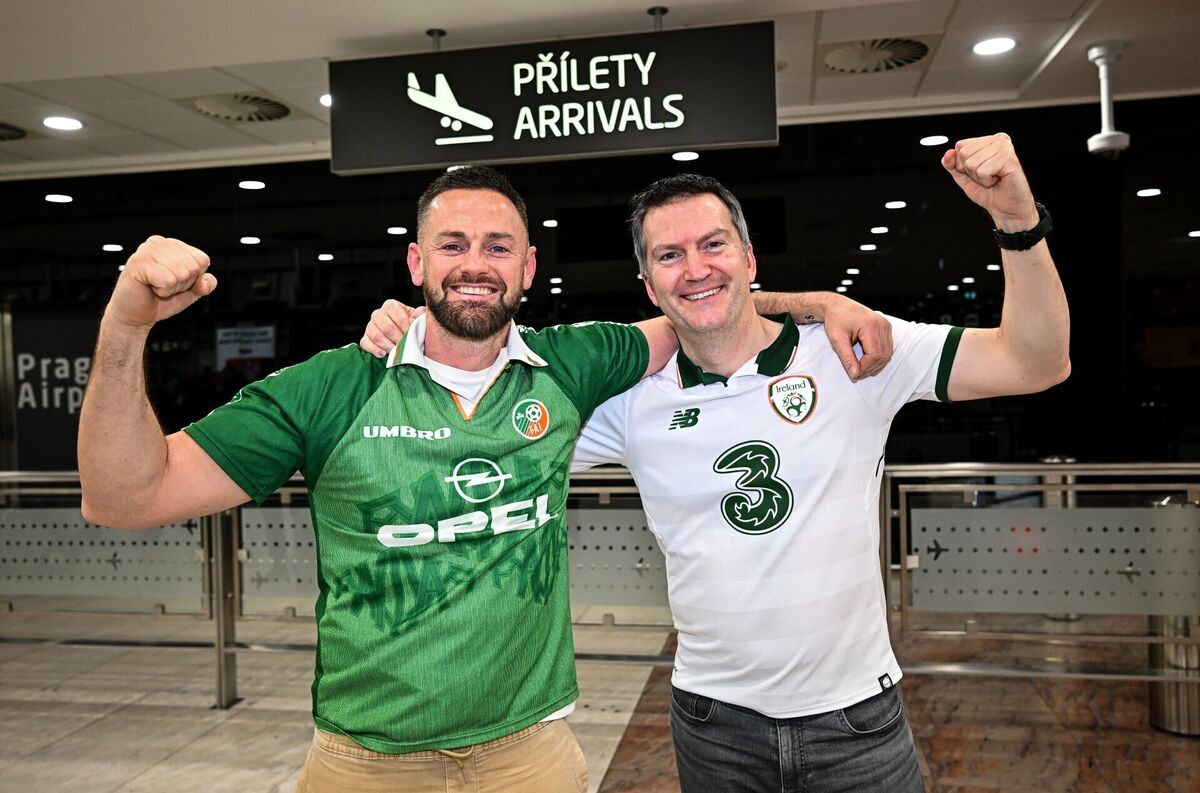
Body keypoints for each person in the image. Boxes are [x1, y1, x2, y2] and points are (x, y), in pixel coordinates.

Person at [78, 165, 893, 792]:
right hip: (365, 762)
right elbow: (125, 496)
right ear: (416, 260)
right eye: (454, 245)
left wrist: (818, 301)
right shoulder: (331, 386)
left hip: (529, 755)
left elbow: (705, 305)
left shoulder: (572, 363)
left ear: (528, 266)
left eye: (498, 246)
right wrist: (125, 324)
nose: (476, 264)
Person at [363, 134, 1070, 792]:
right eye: (669, 256)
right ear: (648, 283)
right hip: (714, 724)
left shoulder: (853, 352)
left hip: (856, 720)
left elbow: (1036, 360)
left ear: (751, 258)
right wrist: (415, 334)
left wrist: (1016, 220)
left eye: (713, 245)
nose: (695, 267)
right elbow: (480, 413)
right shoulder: (629, 400)